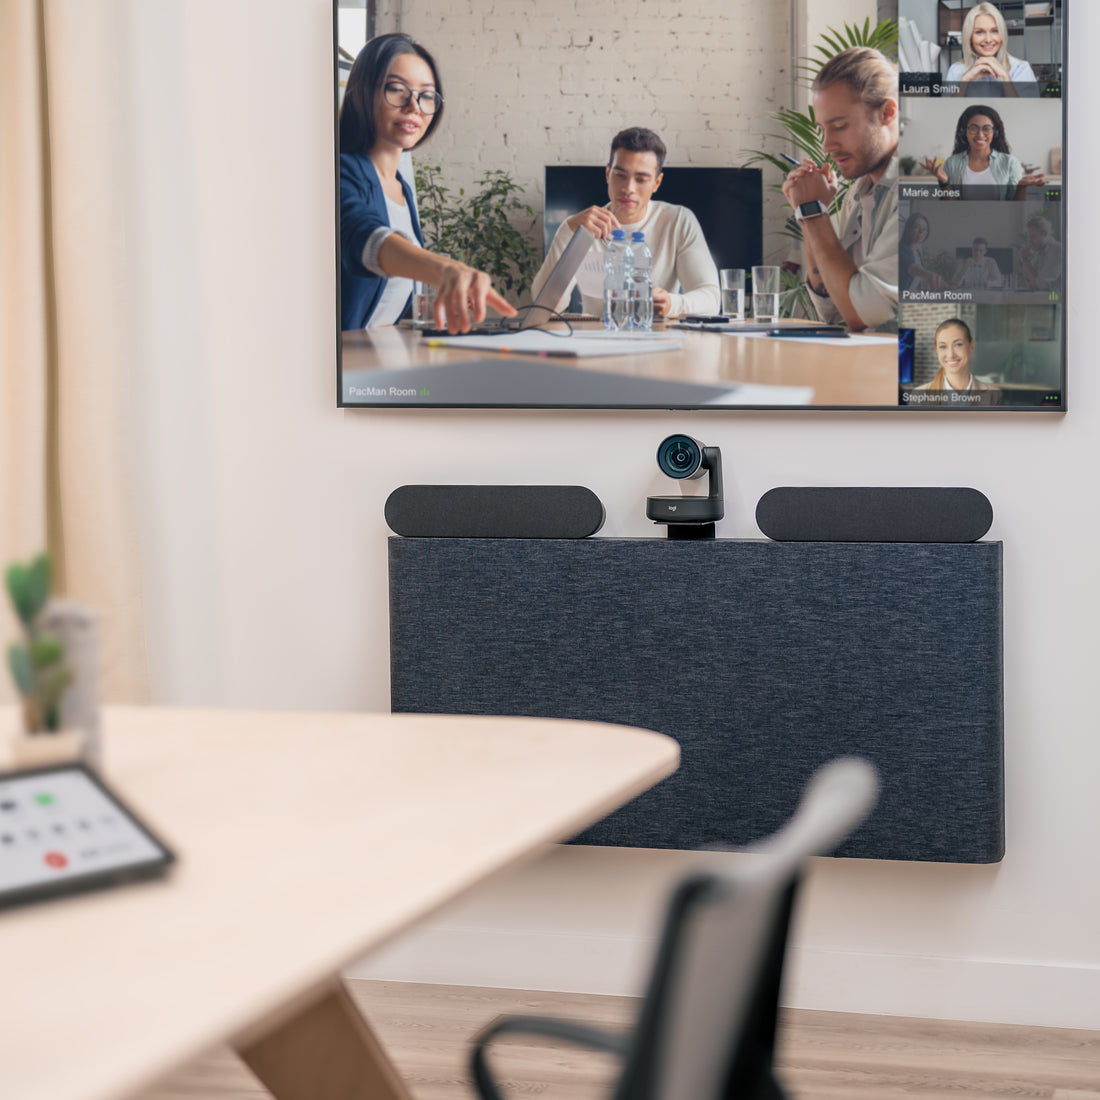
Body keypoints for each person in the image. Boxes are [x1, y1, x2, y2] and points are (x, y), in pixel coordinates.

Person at [339, 33, 515, 332]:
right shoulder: (338, 171)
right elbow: (363, 236)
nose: (414, 106)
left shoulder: (402, 189)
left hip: (380, 359)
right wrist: (443, 269)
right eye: (396, 89)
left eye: (427, 95)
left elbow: (387, 301)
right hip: (337, 370)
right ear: (362, 92)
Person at [531, 128, 720, 320]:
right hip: (594, 339)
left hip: (657, 338)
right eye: (620, 175)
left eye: (641, 179)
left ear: (656, 183)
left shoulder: (679, 221)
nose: (628, 188)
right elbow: (543, 307)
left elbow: (711, 298)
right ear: (607, 173)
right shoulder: (581, 227)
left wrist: (672, 303)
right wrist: (568, 231)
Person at [781, 46, 899, 331]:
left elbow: (859, 313)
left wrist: (812, 213)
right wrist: (810, 212)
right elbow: (831, 307)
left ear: (887, 112)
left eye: (839, 126)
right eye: (823, 128)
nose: (826, 145)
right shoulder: (859, 194)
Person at [918, 104, 1046, 200]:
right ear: (964, 132)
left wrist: (1021, 186)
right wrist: (944, 182)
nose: (980, 134)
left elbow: (1016, 210)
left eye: (987, 129)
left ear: (995, 132)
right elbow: (948, 209)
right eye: (974, 128)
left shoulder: (1010, 163)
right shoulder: (952, 163)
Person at [945, 3, 1038, 98]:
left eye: (994, 31)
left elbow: (1026, 111)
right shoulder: (956, 71)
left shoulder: (1021, 69)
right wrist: (965, 81)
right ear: (970, 38)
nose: (988, 39)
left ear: (1002, 35)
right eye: (979, 32)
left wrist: (1005, 77)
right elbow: (949, 111)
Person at [914, 317, 1004, 405]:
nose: (950, 355)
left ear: (971, 346)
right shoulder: (919, 395)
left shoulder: (993, 395)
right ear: (936, 350)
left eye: (958, 344)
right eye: (942, 346)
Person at [1016, 213, 1063, 292]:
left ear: (1044, 233)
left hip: (1053, 300)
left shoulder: (1057, 250)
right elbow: (1030, 280)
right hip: (1043, 298)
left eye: (1032, 237)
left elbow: (1040, 286)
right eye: (1028, 237)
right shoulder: (1039, 249)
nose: (1029, 241)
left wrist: (1025, 259)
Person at [899, 213, 946, 292]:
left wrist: (925, 283)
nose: (921, 231)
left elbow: (916, 279)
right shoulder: (902, 249)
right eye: (917, 227)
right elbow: (912, 268)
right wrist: (929, 275)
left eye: (924, 229)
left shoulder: (918, 252)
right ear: (908, 229)